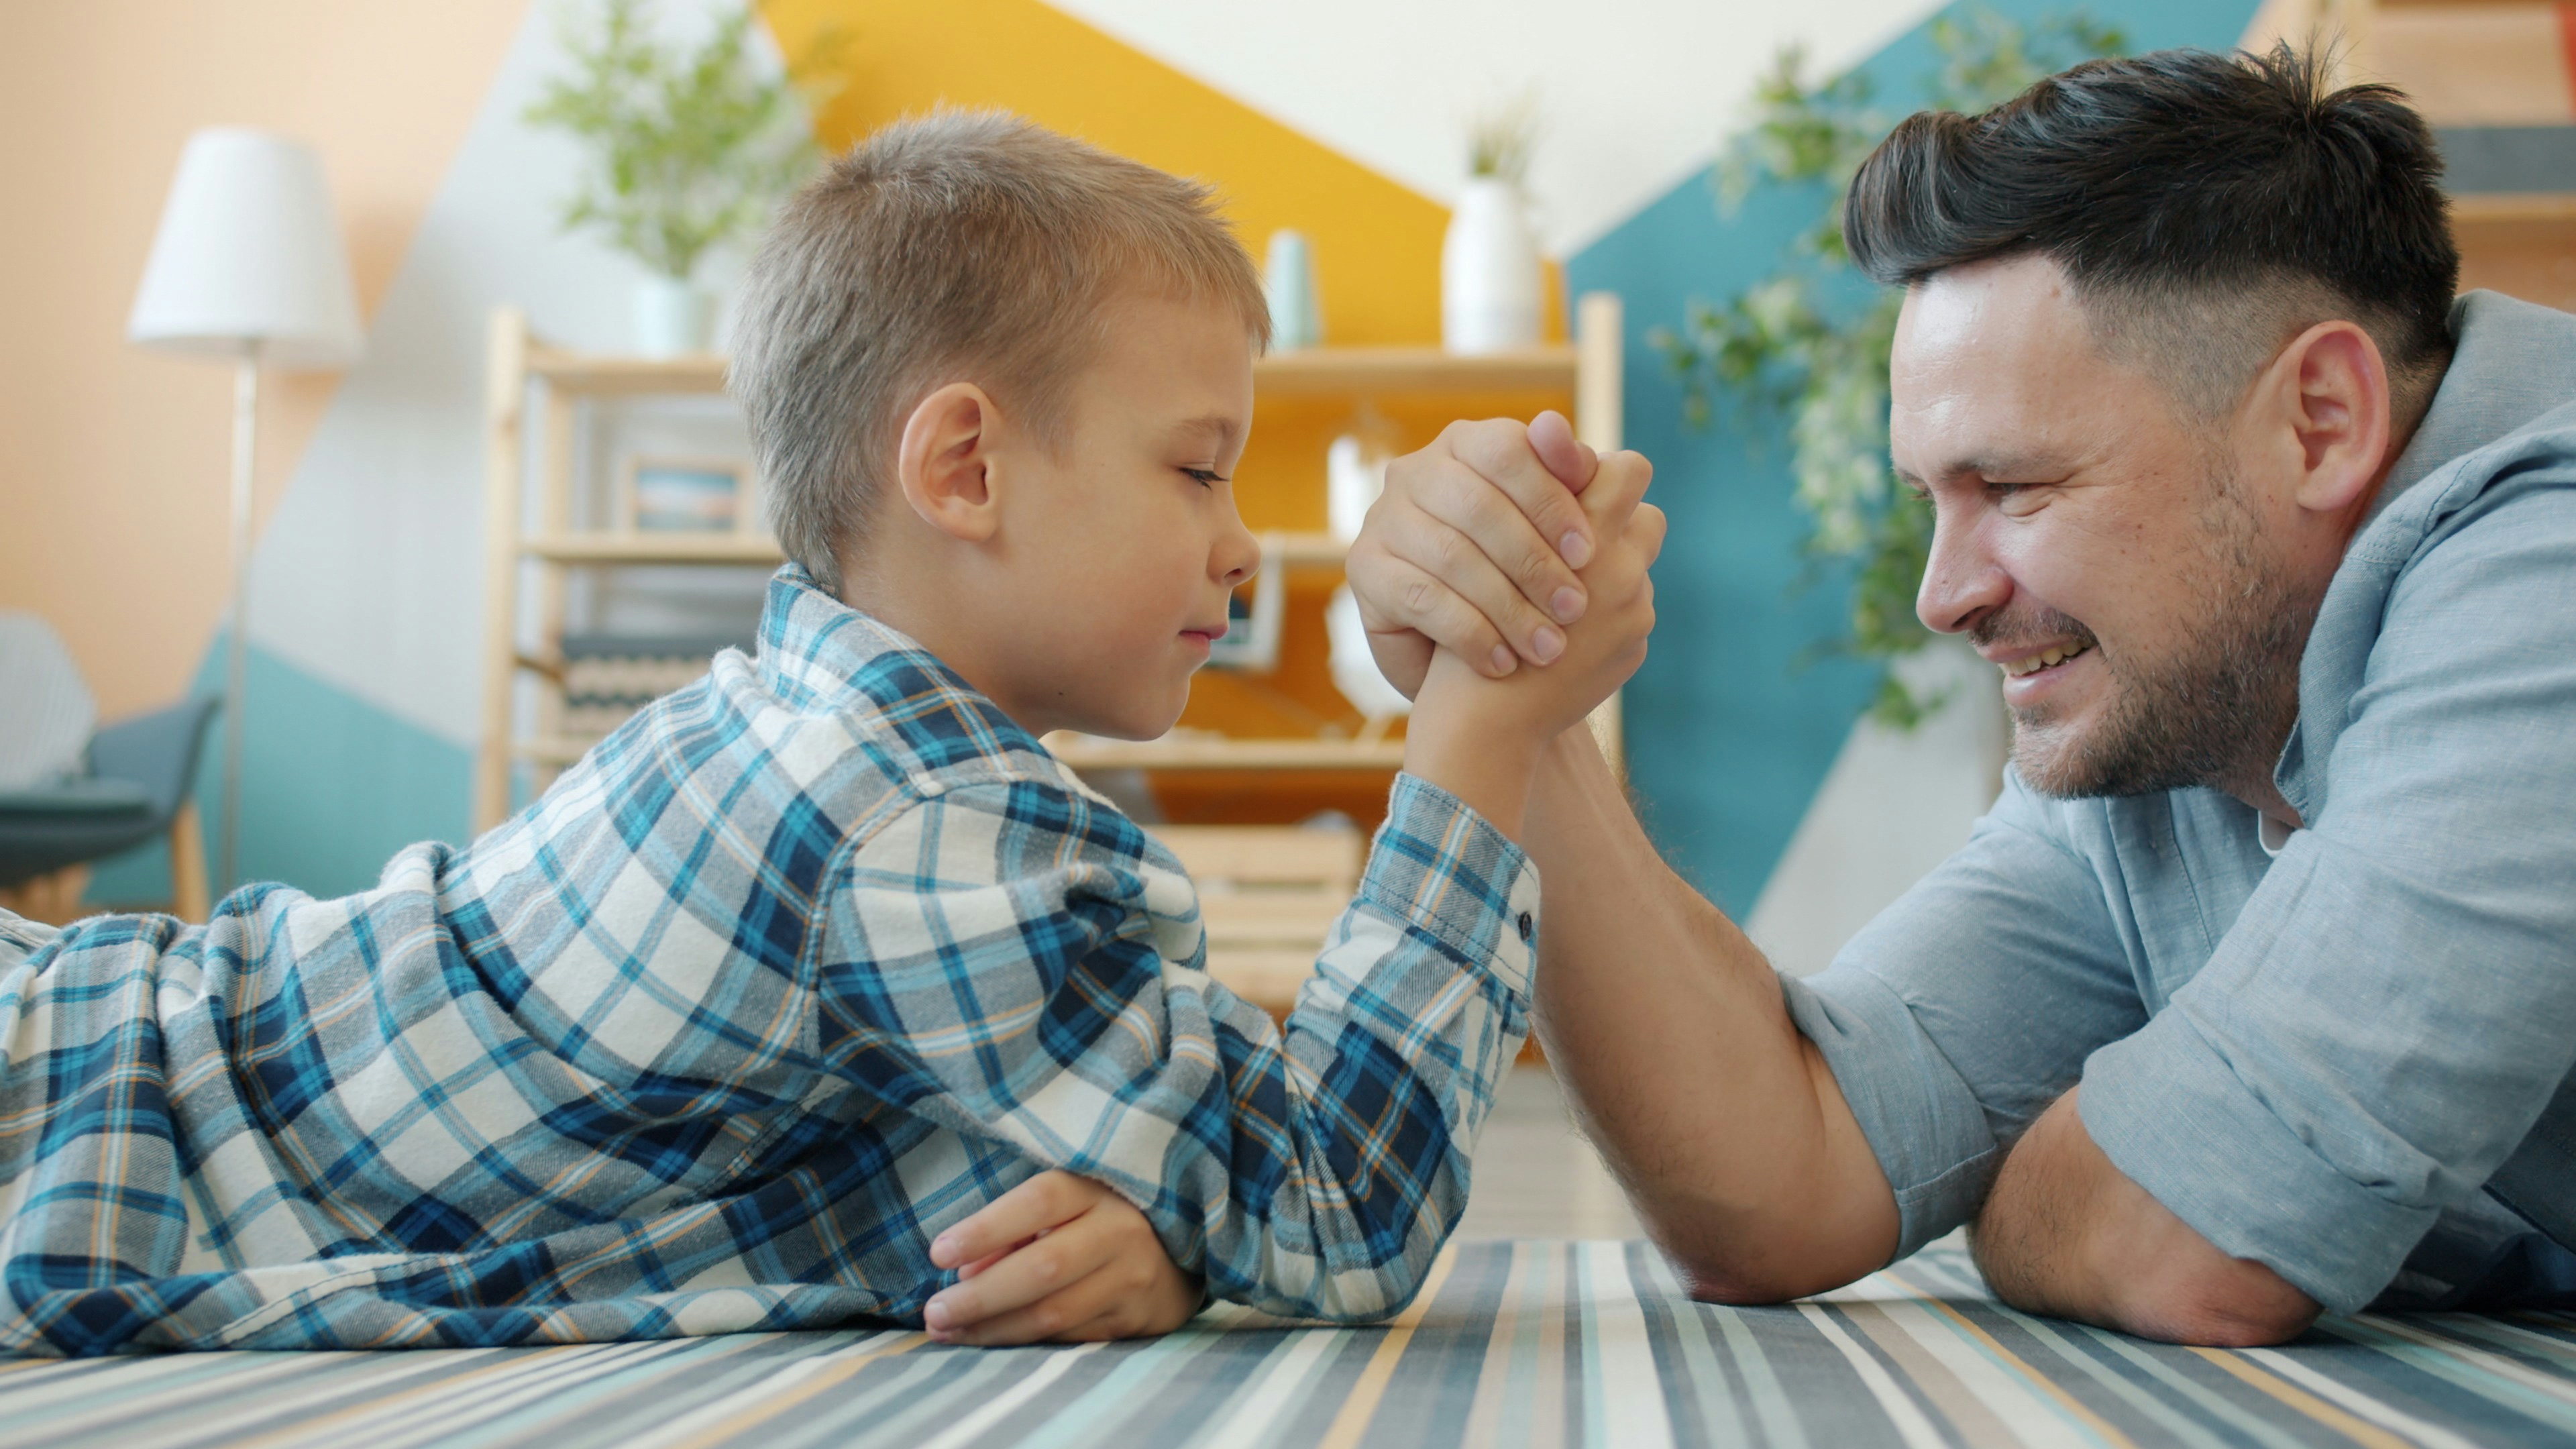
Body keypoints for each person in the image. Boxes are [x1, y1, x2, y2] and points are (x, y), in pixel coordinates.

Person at [0, 111, 1664, 1355]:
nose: (1246, 544)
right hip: (77, 1122)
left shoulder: (816, 733)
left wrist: (1162, 1227)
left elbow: (809, 1165)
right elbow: (1337, 1204)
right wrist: (1484, 725)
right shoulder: (915, 825)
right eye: (1198, 466)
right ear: (964, 470)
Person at [1340, 46, 2576, 1346]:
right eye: (1933, 499)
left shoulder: (2542, 565)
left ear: (2321, 422)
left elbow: (2183, 1245)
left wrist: (2055, 1187)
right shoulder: (2178, 709)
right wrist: (1507, 684)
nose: (1943, 597)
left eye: (2021, 488)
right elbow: (1784, 1184)